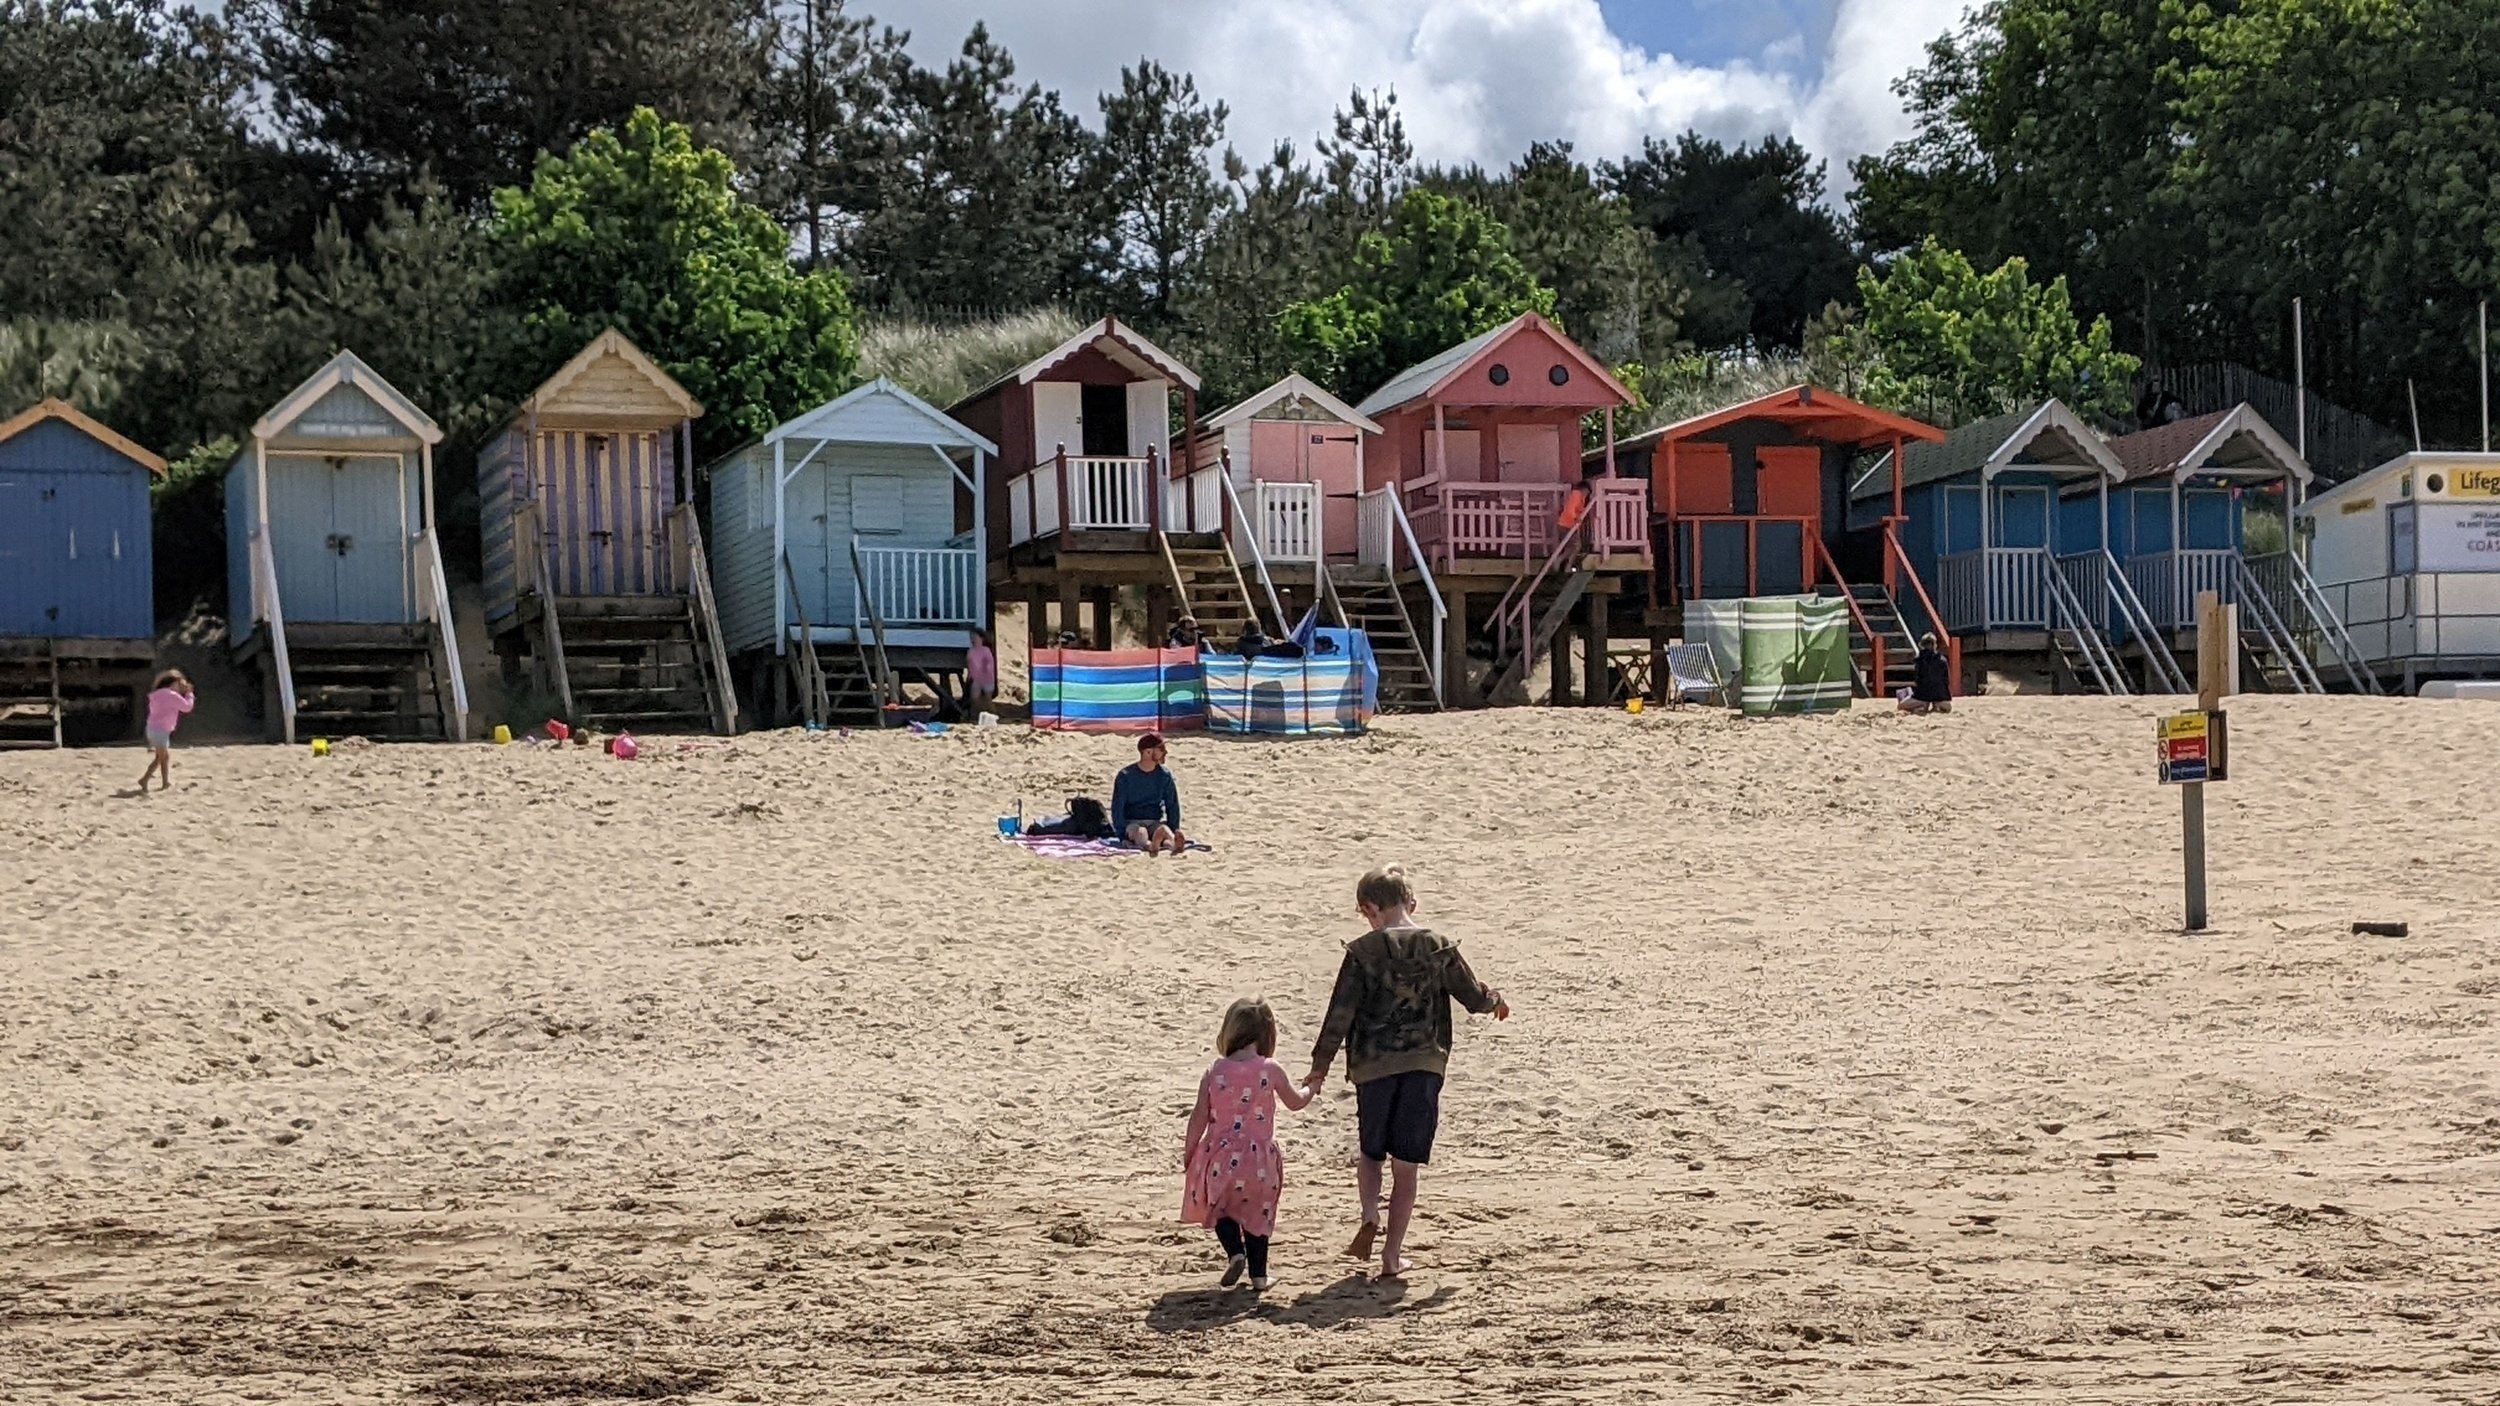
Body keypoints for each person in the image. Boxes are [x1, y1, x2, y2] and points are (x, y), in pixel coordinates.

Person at [1305, 864, 1507, 1281]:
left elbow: (1340, 1014)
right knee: (1406, 1166)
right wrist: (1495, 1001)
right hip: (1424, 1064)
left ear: (1370, 908)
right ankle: (1392, 1256)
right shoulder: (1438, 946)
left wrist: (1319, 1067)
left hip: (1373, 1066)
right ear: (1410, 903)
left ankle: (1369, 1214)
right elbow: (1472, 997)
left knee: (1371, 1153)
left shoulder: (1362, 952)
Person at [1181, 997, 1316, 1293]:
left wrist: (1189, 1152)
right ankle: (1259, 1276)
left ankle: (1235, 1253)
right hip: (1259, 1161)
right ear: (1267, 1035)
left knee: (1221, 1209)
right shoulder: (1270, 1069)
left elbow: (1199, 1115)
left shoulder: (1215, 1071)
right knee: (1258, 1213)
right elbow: (1295, 1102)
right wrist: (1312, 1087)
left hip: (1221, 1158)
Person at [1111, 732, 1186, 855]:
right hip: (1133, 821)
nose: (1165, 752)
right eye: (1161, 749)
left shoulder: (1164, 775)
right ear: (1148, 752)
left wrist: (1174, 828)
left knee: (1164, 831)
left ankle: (1173, 844)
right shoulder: (1125, 776)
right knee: (1141, 833)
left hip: (1154, 821)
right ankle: (1151, 846)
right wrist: (1122, 835)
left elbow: (1172, 805)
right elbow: (1117, 808)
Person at [137, 668, 195, 792]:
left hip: (153, 729)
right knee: (160, 758)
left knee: (164, 757)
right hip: (161, 731)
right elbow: (187, 707)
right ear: (172, 683)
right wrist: (189, 694)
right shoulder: (171, 695)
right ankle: (144, 779)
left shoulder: (157, 694)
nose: (180, 687)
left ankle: (165, 782)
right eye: (178, 684)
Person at [1900, 633, 1954, 715]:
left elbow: (1917, 679)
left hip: (1923, 696)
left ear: (1922, 645)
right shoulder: (1943, 660)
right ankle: (1936, 705)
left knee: (1900, 706)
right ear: (1935, 645)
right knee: (1946, 706)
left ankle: (1923, 705)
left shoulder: (1919, 660)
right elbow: (1946, 679)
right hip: (1940, 696)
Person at [965, 628, 997, 715]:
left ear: (981, 638)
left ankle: (993, 713)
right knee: (974, 698)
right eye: (971, 637)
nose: (973, 639)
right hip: (976, 678)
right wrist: (969, 676)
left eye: (975, 637)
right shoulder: (970, 651)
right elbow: (970, 665)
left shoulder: (986, 650)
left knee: (988, 698)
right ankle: (980, 713)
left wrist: (985, 670)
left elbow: (989, 663)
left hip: (987, 678)